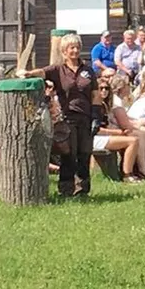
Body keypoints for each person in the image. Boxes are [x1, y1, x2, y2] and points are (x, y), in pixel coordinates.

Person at [37, 34, 98, 197]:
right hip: (67, 117)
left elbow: (95, 94)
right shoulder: (58, 70)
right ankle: (66, 189)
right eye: (72, 47)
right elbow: (41, 72)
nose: (75, 50)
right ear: (64, 51)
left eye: (77, 47)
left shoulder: (88, 70)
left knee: (84, 153)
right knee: (69, 154)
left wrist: (96, 115)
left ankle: (82, 189)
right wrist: (26, 73)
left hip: (85, 117)